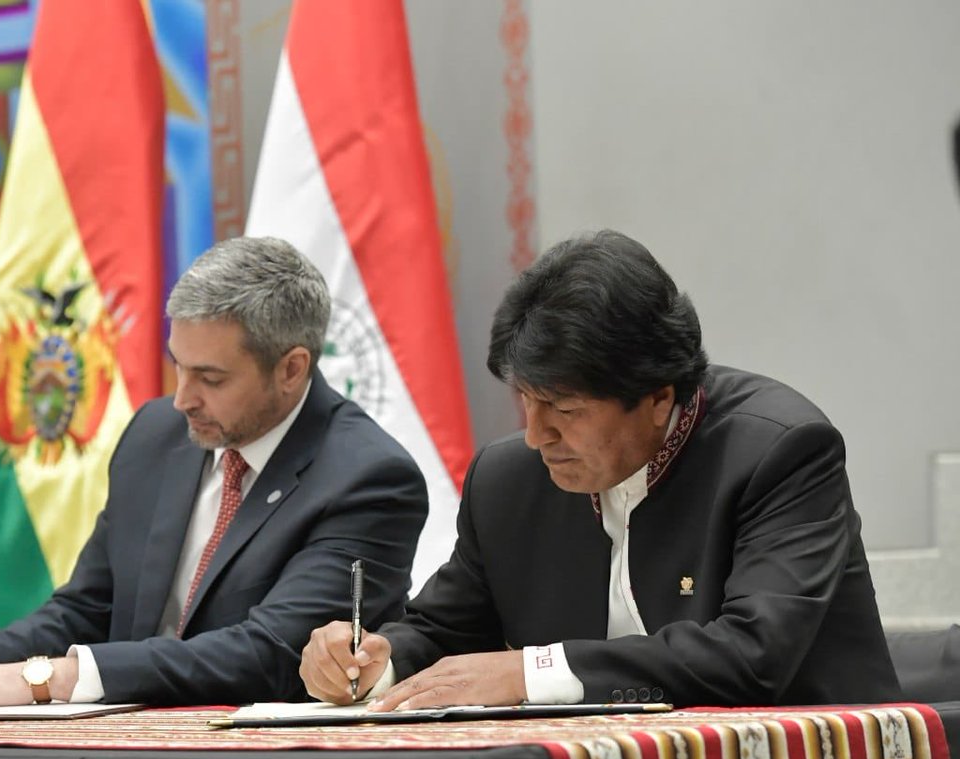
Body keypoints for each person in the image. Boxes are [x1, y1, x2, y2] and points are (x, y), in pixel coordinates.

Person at [301, 229, 901, 710]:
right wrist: (375, 662)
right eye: (526, 401)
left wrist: (530, 671)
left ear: (658, 397)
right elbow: (441, 631)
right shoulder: (508, 479)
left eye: (565, 410)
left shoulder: (780, 452)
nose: (536, 435)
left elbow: (752, 655)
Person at [0, 236, 427, 709]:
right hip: (119, 749)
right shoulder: (156, 436)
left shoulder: (369, 479)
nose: (182, 399)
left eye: (211, 379)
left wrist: (42, 680)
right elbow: (87, 608)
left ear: (291, 369)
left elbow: (270, 653)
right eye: (177, 367)